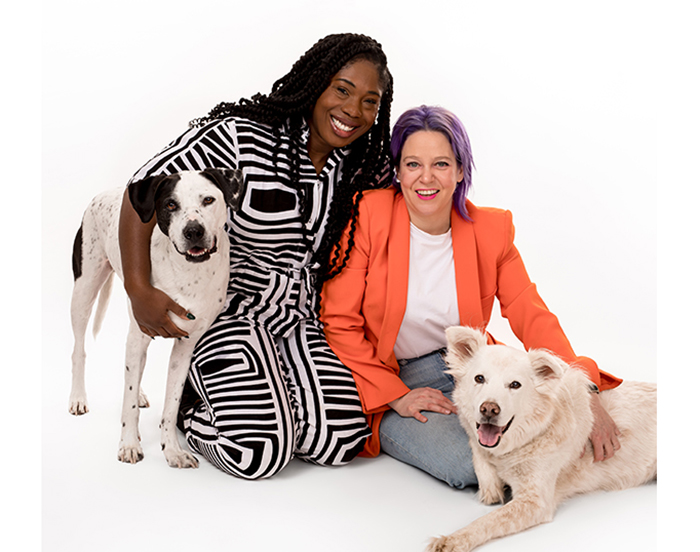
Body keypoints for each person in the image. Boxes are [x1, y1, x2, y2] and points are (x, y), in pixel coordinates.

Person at [118, 33, 394, 479]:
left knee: (342, 437)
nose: (353, 110)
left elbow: (421, 188)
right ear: (316, 83)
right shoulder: (241, 138)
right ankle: (195, 407)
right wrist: (137, 289)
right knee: (260, 452)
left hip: (301, 318)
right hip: (225, 310)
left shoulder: (361, 163)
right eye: (342, 90)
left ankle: (274, 396)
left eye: (369, 101)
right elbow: (144, 188)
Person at [320, 105, 623, 488]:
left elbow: (530, 314)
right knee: (473, 465)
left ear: (461, 171)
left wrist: (582, 388)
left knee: (553, 429)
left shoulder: (490, 229)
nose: (426, 178)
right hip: (390, 374)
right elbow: (338, 321)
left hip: (474, 369)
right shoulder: (370, 215)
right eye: (413, 164)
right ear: (398, 171)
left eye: (441, 164)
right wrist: (396, 397)